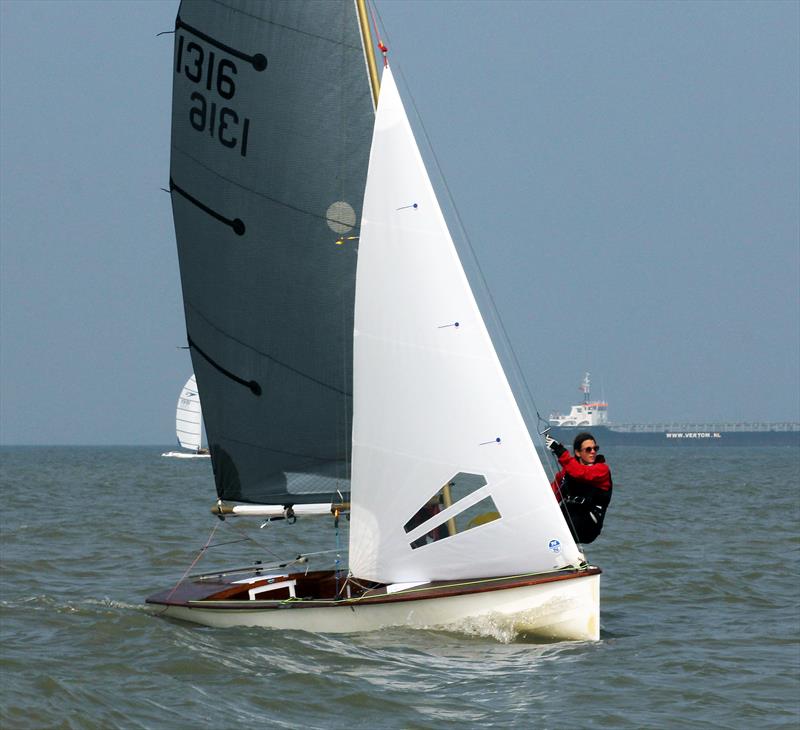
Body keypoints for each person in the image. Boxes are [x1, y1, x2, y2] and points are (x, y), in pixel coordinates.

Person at [545, 431, 612, 544]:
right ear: (578, 452)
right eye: (588, 449)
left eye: (595, 448)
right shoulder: (566, 473)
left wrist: (559, 450)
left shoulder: (602, 470)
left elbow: (581, 473)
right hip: (568, 520)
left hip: (588, 526)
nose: (593, 452)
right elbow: (551, 495)